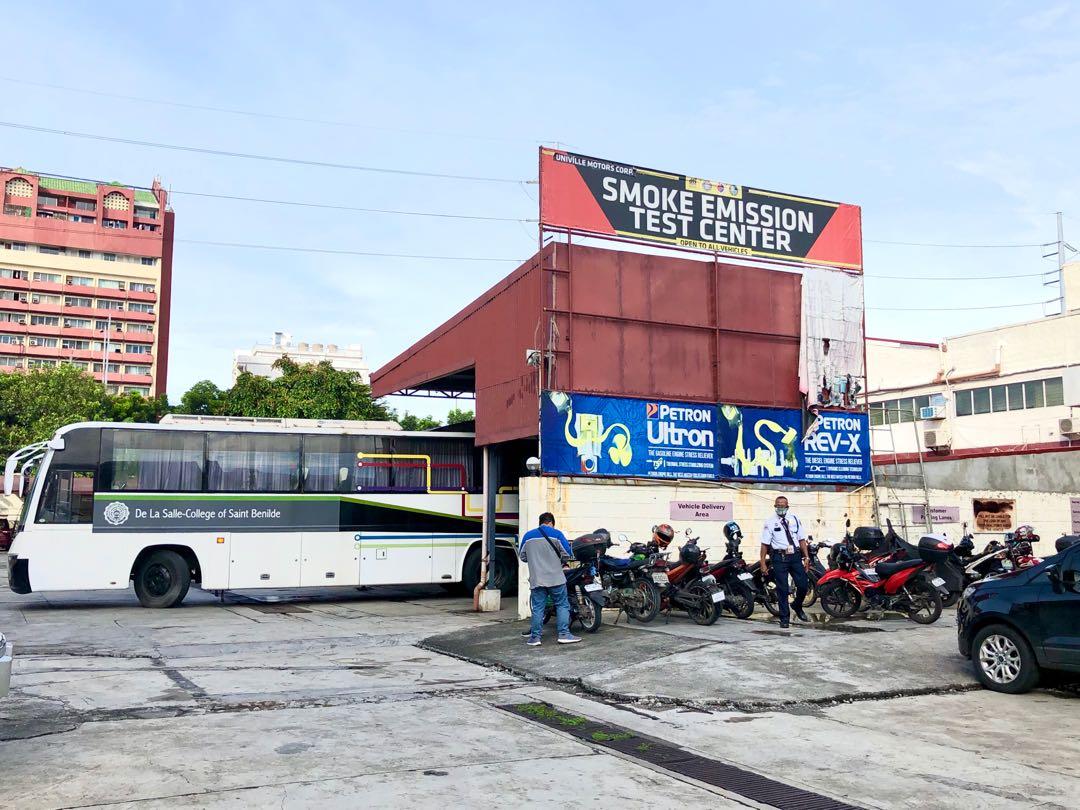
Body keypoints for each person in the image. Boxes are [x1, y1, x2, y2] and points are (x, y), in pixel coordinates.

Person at [518, 512, 581, 646]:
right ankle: (564, 634)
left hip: (537, 579)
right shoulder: (557, 534)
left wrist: (535, 560)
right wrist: (558, 561)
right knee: (562, 605)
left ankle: (535, 638)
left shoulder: (528, 536)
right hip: (556, 579)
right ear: (551, 523)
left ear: (540, 522)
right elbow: (567, 553)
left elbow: (522, 556)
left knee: (538, 608)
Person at [760, 496, 810, 628]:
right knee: (782, 588)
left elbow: (801, 539)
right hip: (779, 557)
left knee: (803, 585)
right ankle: (784, 618)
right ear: (775, 506)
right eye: (778, 506)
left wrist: (806, 557)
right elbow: (765, 544)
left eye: (783, 506)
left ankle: (797, 605)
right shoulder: (770, 522)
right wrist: (763, 563)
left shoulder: (794, 519)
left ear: (787, 507)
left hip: (795, 556)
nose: (780, 508)